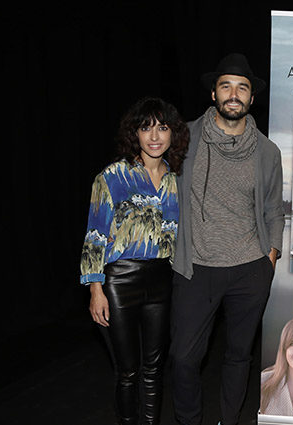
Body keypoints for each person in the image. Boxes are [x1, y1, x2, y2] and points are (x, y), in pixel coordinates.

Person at [169, 53, 284, 425]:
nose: (234, 94)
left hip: (249, 269)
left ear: (252, 99)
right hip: (195, 268)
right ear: (214, 94)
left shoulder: (267, 152)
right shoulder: (184, 139)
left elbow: (273, 209)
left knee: (238, 356)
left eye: (242, 88)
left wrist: (270, 258)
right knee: (184, 357)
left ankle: (229, 420)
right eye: (226, 86)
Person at [80, 97, 190, 425]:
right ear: (135, 134)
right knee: (127, 371)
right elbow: (94, 235)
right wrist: (95, 289)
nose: (154, 136)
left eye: (162, 127)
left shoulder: (176, 179)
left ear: (173, 134)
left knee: (154, 369)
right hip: (119, 282)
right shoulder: (113, 176)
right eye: (146, 128)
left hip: (161, 280)